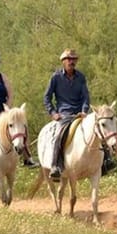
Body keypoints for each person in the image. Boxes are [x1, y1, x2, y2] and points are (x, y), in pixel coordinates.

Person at [43, 48, 91, 181]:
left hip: (79, 113)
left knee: (98, 128)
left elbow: (86, 97)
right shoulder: (56, 77)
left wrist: (84, 111)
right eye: (69, 59)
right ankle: (55, 166)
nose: (72, 62)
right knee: (58, 135)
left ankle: (105, 162)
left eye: (74, 59)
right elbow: (47, 97)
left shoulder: (81, 77)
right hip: (63, 114)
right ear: (63, 61)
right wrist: (53, 113)